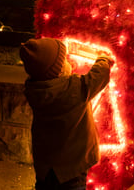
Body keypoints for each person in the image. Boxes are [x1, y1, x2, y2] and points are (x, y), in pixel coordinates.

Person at [20, 37, 114, 190]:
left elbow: (54, 82)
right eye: (64, 60)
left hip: (45, 166)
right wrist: (103, 58)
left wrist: (67, 69)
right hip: (71, 169)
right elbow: (98, 77)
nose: (67, 61)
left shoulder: (34, 90)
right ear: (58, 72)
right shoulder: (75, 89)